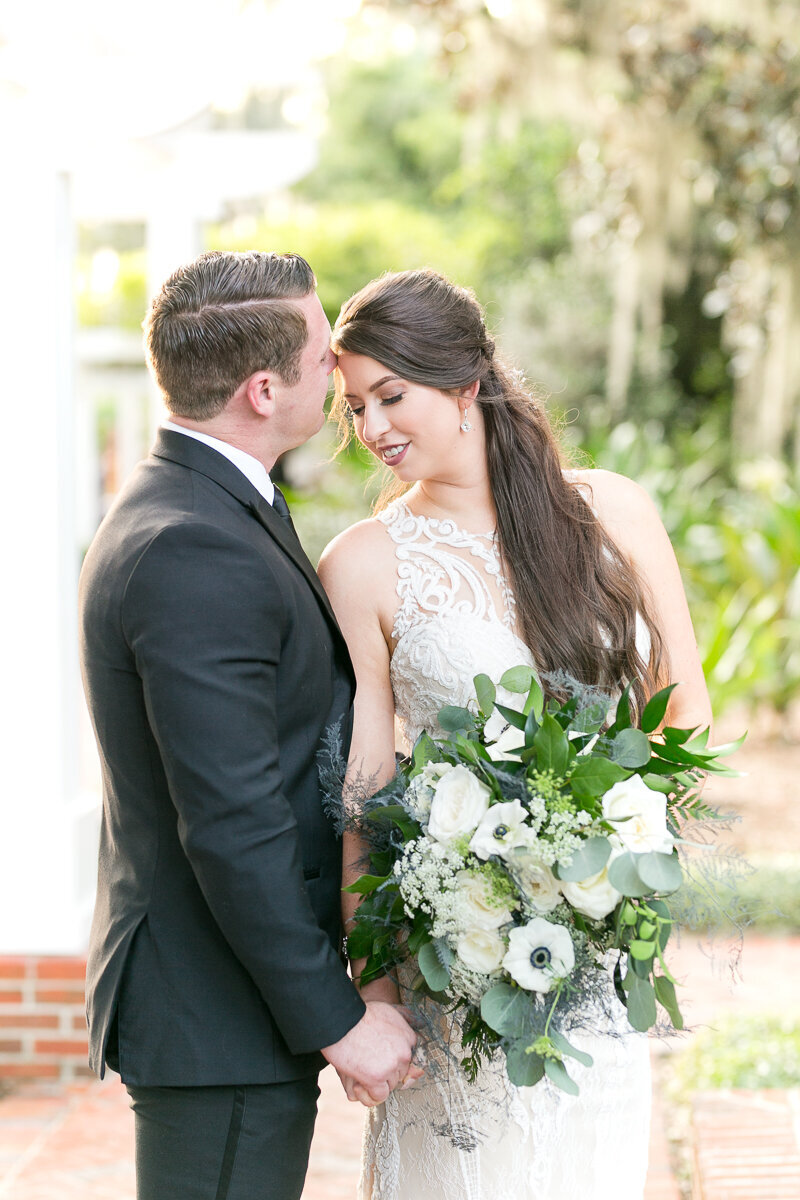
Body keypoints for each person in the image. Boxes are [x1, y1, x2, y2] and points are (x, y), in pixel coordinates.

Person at [317, 267, 712, 1199]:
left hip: (598, 969)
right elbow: (364, 798)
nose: (371, 428)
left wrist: (608, 872)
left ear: (466, 384)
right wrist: (377, 997)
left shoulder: (613, 510)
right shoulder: (365, 562)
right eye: (355, 407)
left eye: (390, 395)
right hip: (457, 974)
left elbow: (683, 715)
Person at [78, 250, 420, 1200]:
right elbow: (232, 820)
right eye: (321, 353)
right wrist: (339, 1020)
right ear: (263, 390)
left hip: (226, 1006)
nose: (336, 368)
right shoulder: (193, 545)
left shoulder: (208, 503)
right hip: (215, 1013)